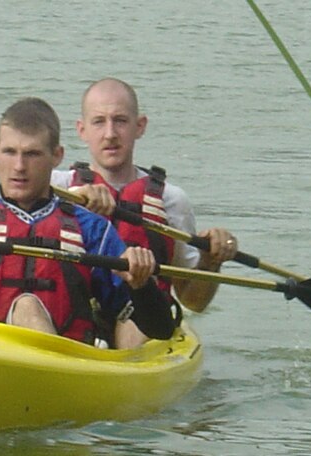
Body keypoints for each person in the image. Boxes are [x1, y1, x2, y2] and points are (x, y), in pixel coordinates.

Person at [0, 96, 174, 349]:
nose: (19, 167)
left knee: (27, 306)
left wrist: (141, 283)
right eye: (10, 152)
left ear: (56, 156)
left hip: (52, 362)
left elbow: (161, 329)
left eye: (32, 154)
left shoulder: (92, 230)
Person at [51, 78, 238, 344]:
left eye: (121, 121)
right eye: (98, 122)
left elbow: (193, 302)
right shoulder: (56, 187)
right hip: (71, 315)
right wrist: (76, 199)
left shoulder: (171, 200)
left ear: (140, 127)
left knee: (134, 325)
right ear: (81, 130)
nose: (110, 134)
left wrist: (212, 260)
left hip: (142, 320)